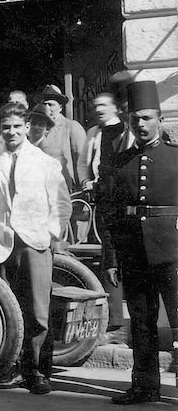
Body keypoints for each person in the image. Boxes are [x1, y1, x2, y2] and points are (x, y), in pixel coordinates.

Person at [0, 103, 70, 395]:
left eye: (17, 127)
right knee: (10, 310)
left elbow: (61, 204)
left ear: (26, 128)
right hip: (4, 247)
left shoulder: (45, 162)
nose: (11, 132)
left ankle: (38, 372)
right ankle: (11, 367)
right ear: (1, 129)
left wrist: (51, 235)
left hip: (35, 245)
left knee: (37, 312)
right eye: (6, 127)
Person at [100, 81, 178, 404]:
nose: (142, 125)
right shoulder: (122, 164)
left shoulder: (175, 158)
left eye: (147, 118)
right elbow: (112, 215)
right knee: (142, 324)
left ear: (159, 119)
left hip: (173, 252)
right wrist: (113, 258)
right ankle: (145, 386)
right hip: (134, 253)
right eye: (136, 120)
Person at [81, 92, 134, 332]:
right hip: (104, 200)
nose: (99, 109)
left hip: (124, 200)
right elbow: (85, 163)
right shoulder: (94, 133)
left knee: (125, 253)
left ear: (114, 108)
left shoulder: (126, 131)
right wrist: (88, 182)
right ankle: (114, 319)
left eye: (103, 105)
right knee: (108, 254)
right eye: (96, 106)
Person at [35, 84, 89, 192]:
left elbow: (82, 162)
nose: (47, 108)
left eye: (51, 104)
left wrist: (84, 185)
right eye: (44, 104)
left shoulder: (71, 127)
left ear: (60, 107)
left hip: (67, 190)